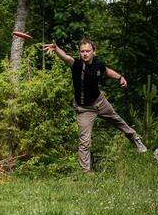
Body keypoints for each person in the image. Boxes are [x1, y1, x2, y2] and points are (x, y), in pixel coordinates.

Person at [43, 38, 147, 173]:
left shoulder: (98, 64)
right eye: (82, 51)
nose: (85, 54)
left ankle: (135, 139)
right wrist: (56, 49)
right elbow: (66, 58)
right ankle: (86, 173)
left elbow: (107, 71)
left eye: (87, 51)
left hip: (100, 102)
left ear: (94, 52)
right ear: (79, 53)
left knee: (118, 121)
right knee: (84, 142)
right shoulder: (76, 65)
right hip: (85, 109)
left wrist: (120, 77)